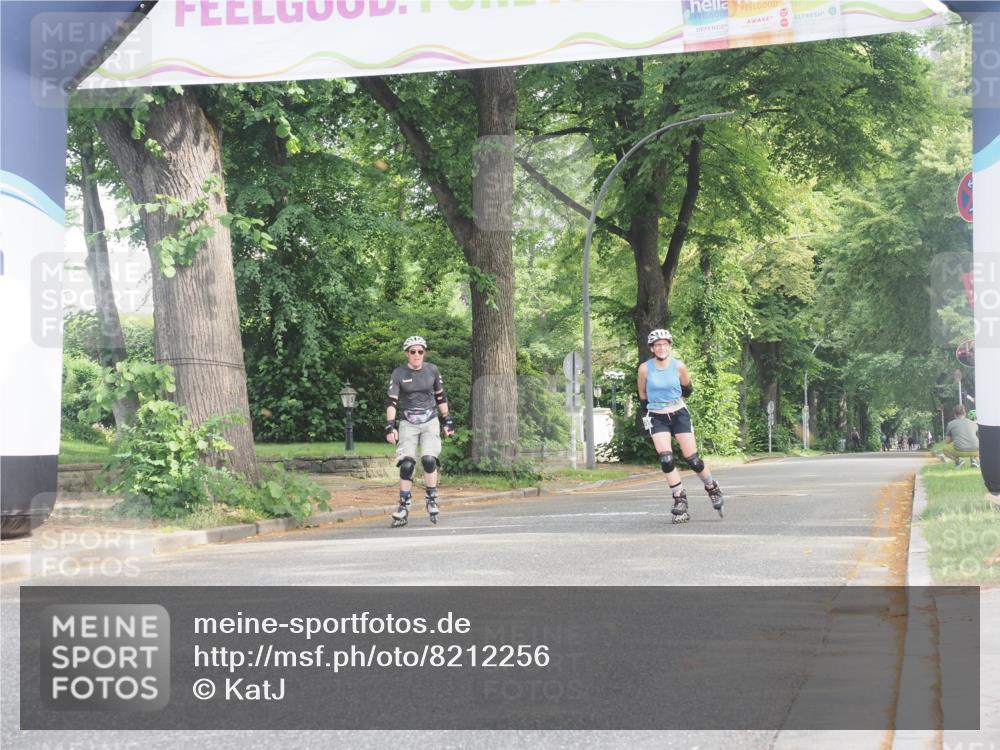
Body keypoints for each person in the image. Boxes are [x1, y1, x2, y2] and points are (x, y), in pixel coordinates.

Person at [637, 328, 724, 524]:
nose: (661, 348)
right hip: (656, 416)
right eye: (657, 345)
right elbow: (642, 394)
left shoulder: (679, 366)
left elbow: (688, 389)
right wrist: (655, 409)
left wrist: (673, 403)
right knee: (666, 459)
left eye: (665, 344)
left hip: (679, 414)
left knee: (692, 460)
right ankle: (679, 498)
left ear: (669, 346)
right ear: (652, 348)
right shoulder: (644, 369)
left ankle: (712, 487)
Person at [385, 335, 455, 527]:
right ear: (407, 354)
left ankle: (431, 499)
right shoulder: (399, 373)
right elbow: (392, 401)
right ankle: (403, 505)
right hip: (408, 422)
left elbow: (441, 397)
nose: (416, 355)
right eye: (412, 351)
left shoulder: (432, 370)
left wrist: (447, 421)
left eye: (420, 351)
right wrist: (390, 426)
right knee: (407, 464)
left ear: (424, 353)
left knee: (429, 459)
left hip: (430, 420)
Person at [942, 404, 980, 469]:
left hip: (959, 450)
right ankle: (974, 460)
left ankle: (958, 461)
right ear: (965, 413)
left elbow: (947, 441)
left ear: (954, 414)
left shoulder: (950, 424)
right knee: (974, 443)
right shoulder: (974, 423)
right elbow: (976, 437)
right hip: (975, 450)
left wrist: (955, 437)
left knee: (945, 450)